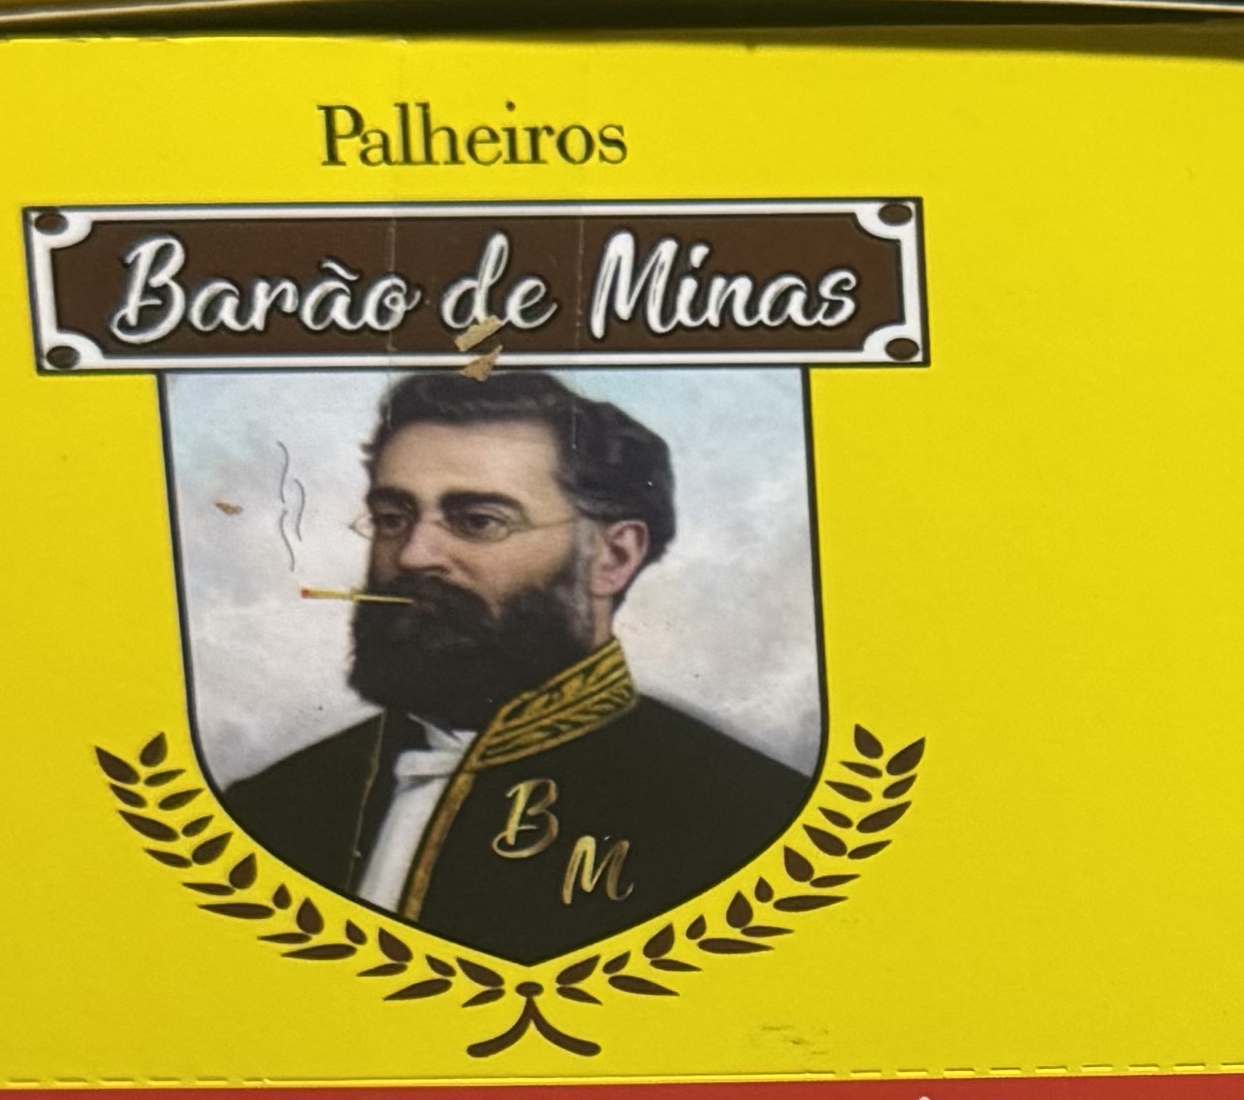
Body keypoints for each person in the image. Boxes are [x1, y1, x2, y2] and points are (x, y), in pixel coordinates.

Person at [217, 366, 812, 954]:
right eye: (392, 518)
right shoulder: (269, 809)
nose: (415, 556)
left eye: (478, 522)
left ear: (613, 557)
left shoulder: (756, 821)